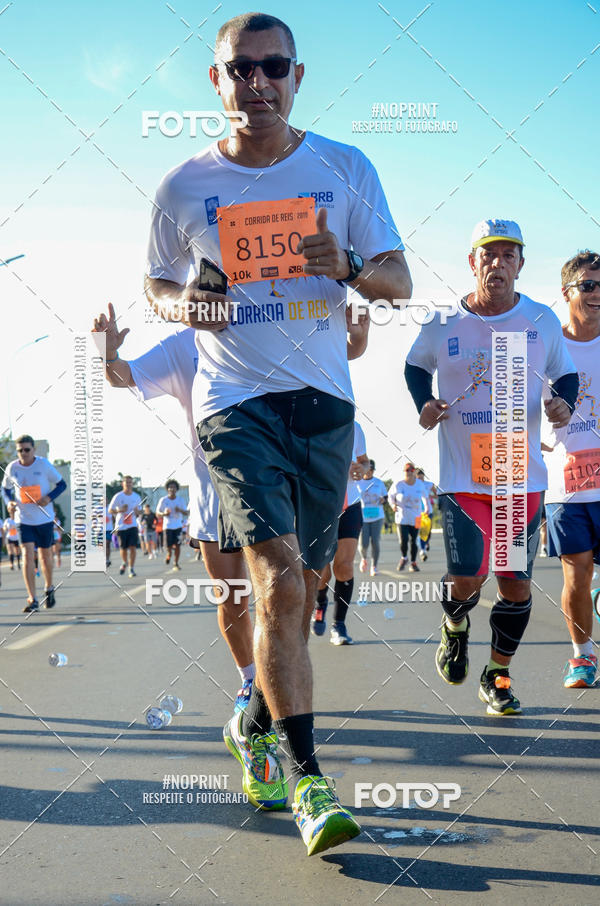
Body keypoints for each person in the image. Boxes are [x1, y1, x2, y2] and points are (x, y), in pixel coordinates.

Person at [144, 11, 411, 854]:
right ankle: (308, 780)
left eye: (275, 67)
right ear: (215, 82)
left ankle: (254, 722)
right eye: (241, 69)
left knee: (297, 587)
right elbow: (156, 285)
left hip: (324, 403)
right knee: (284, 584)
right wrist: (189, 304)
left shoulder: (344, 165)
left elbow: (398, 281)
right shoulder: (182, 185)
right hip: (236, 405)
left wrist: (350, 269)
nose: (257, 82)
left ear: (299, 76)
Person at [405, 218, 578, 715]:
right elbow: (416, 366)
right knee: (468, 576)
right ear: (472, 262)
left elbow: (564, 374)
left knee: (514, 583)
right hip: (463, 476)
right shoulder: (442, 323)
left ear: (521, 265)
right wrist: (425, 401)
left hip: (520, 479)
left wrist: (562, 404)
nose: (497, 264)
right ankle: (455, 625)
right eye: (488, 255)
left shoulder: (541, 321)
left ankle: (497, 674)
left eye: (508, 255)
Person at [93, 305, 255, 713]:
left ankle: (279, 678)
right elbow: (122, 376)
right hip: (212, 497)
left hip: (273, 492)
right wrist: (107, 353)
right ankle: (251, 681)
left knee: (278, 598)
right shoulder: (185, 343)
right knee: (233, 599)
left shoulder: (270, 327)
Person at [543, 250, 600, 688]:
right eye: (589, 285)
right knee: (576, 572)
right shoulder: (548, 348)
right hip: (566, 483)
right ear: (567, 292)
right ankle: (582, 657)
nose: (597, 294)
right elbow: (513, 408)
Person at [312, 422, 369, 644]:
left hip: (350, 504)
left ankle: (339, 625)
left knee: (344, 566)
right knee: (321, 570)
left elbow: (364, 461)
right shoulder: (313, 422)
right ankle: (320, 603)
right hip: (321, 505)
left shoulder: (355, 427)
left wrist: (362, 469)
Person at [1, 435, 66, 611]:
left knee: (45, 556)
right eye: (20, 450)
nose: (23, 453)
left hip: (44, 518)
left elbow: (62, 484)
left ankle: (49, 587)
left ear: (33, 450)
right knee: (27, 555)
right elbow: (5, 489)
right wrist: (10, 503)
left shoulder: (43, 465)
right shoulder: (12, 467)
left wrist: (48, 498)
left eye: (27, 450)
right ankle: (32, 598)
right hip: (23, 519)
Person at [388, 463, 428, 572]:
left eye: (411, 470)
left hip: (417, 517)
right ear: (404, 472)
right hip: (402, 517)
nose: (409, 472)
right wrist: (392, 505)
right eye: (406, 470)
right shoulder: (398, 484)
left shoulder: (419, 484)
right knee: (404, 540)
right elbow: (390, 497)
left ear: (414, 471)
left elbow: (425, 497)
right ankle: (404, 557)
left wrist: (427, 508)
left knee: (414, 541)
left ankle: (413, 562)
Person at [108, 476, 142, 578]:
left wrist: (137, 512)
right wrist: (120, 510)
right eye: (126, 482)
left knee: (133, 547)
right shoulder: (118, 496)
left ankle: (131, 568)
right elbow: (110, 510)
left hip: (132, 525)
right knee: (123, 548)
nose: (128, 484)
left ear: (132, 484)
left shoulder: (136, 496)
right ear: (122, 484)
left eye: (130, 482)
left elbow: (140, 511)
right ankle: (124, 562)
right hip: (121, 526)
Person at [358, 460, 387, 577]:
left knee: (375, 541)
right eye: (367, 470)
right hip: (363, 517)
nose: (369, 472)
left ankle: (374, 566)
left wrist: (383, 500)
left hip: (377, 516)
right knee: (363, 543)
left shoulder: (379, 483)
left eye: (371, 470)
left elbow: (385, 496)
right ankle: (364, 558)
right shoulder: (358, 482)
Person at [156, 480, 188, 570]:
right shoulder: (163, 500)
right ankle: (169, 554)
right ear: (167, 489)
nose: (172, 489)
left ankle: (176, 563)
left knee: (178, 545)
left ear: (177, 489)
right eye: (170, 487)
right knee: (168, 546)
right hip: (167, 527)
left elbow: (186, 513)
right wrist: (164, 514)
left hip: (178, 526)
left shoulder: (180, 500)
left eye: (174, 487)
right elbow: (157, 513)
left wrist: (180, 510)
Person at [415, 468, 436, 560]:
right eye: (418, 477)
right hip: (417, 512)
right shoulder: (413, 485)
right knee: (419, 531)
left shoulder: (429, 485)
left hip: (428, 512)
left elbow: (437, 494)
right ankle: (423, 550)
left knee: (428, 531)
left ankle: (426, 543)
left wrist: (431, 495)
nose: (420, 478)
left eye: (421, 476)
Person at [3, 502, 21, 571]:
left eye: (13, 513)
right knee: (10, 551)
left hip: (16, 537)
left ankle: (18, 563)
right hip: (9, 537)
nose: (12, 514)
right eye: (11, 513)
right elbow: (4, 528)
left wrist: (15, 528)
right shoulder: (7, 520)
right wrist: (7, 528)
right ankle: (11, 564)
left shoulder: (17, 520)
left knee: (17, 551)